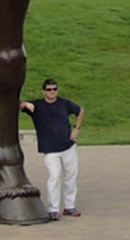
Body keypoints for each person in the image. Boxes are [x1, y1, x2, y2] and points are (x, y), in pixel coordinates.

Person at [20, 78, 84, 221]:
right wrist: (25, 103)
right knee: (54, 177)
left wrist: (76, 129)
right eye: (49, 89)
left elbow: (80, 110)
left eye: (54, 89)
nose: (52, 92)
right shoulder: (36, 106)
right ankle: (53, 209)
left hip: (68, 147)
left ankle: (69, 207)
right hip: (50, 150)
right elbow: (16, 103)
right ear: (43, 91)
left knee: (70, 177)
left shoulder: (64, 103)